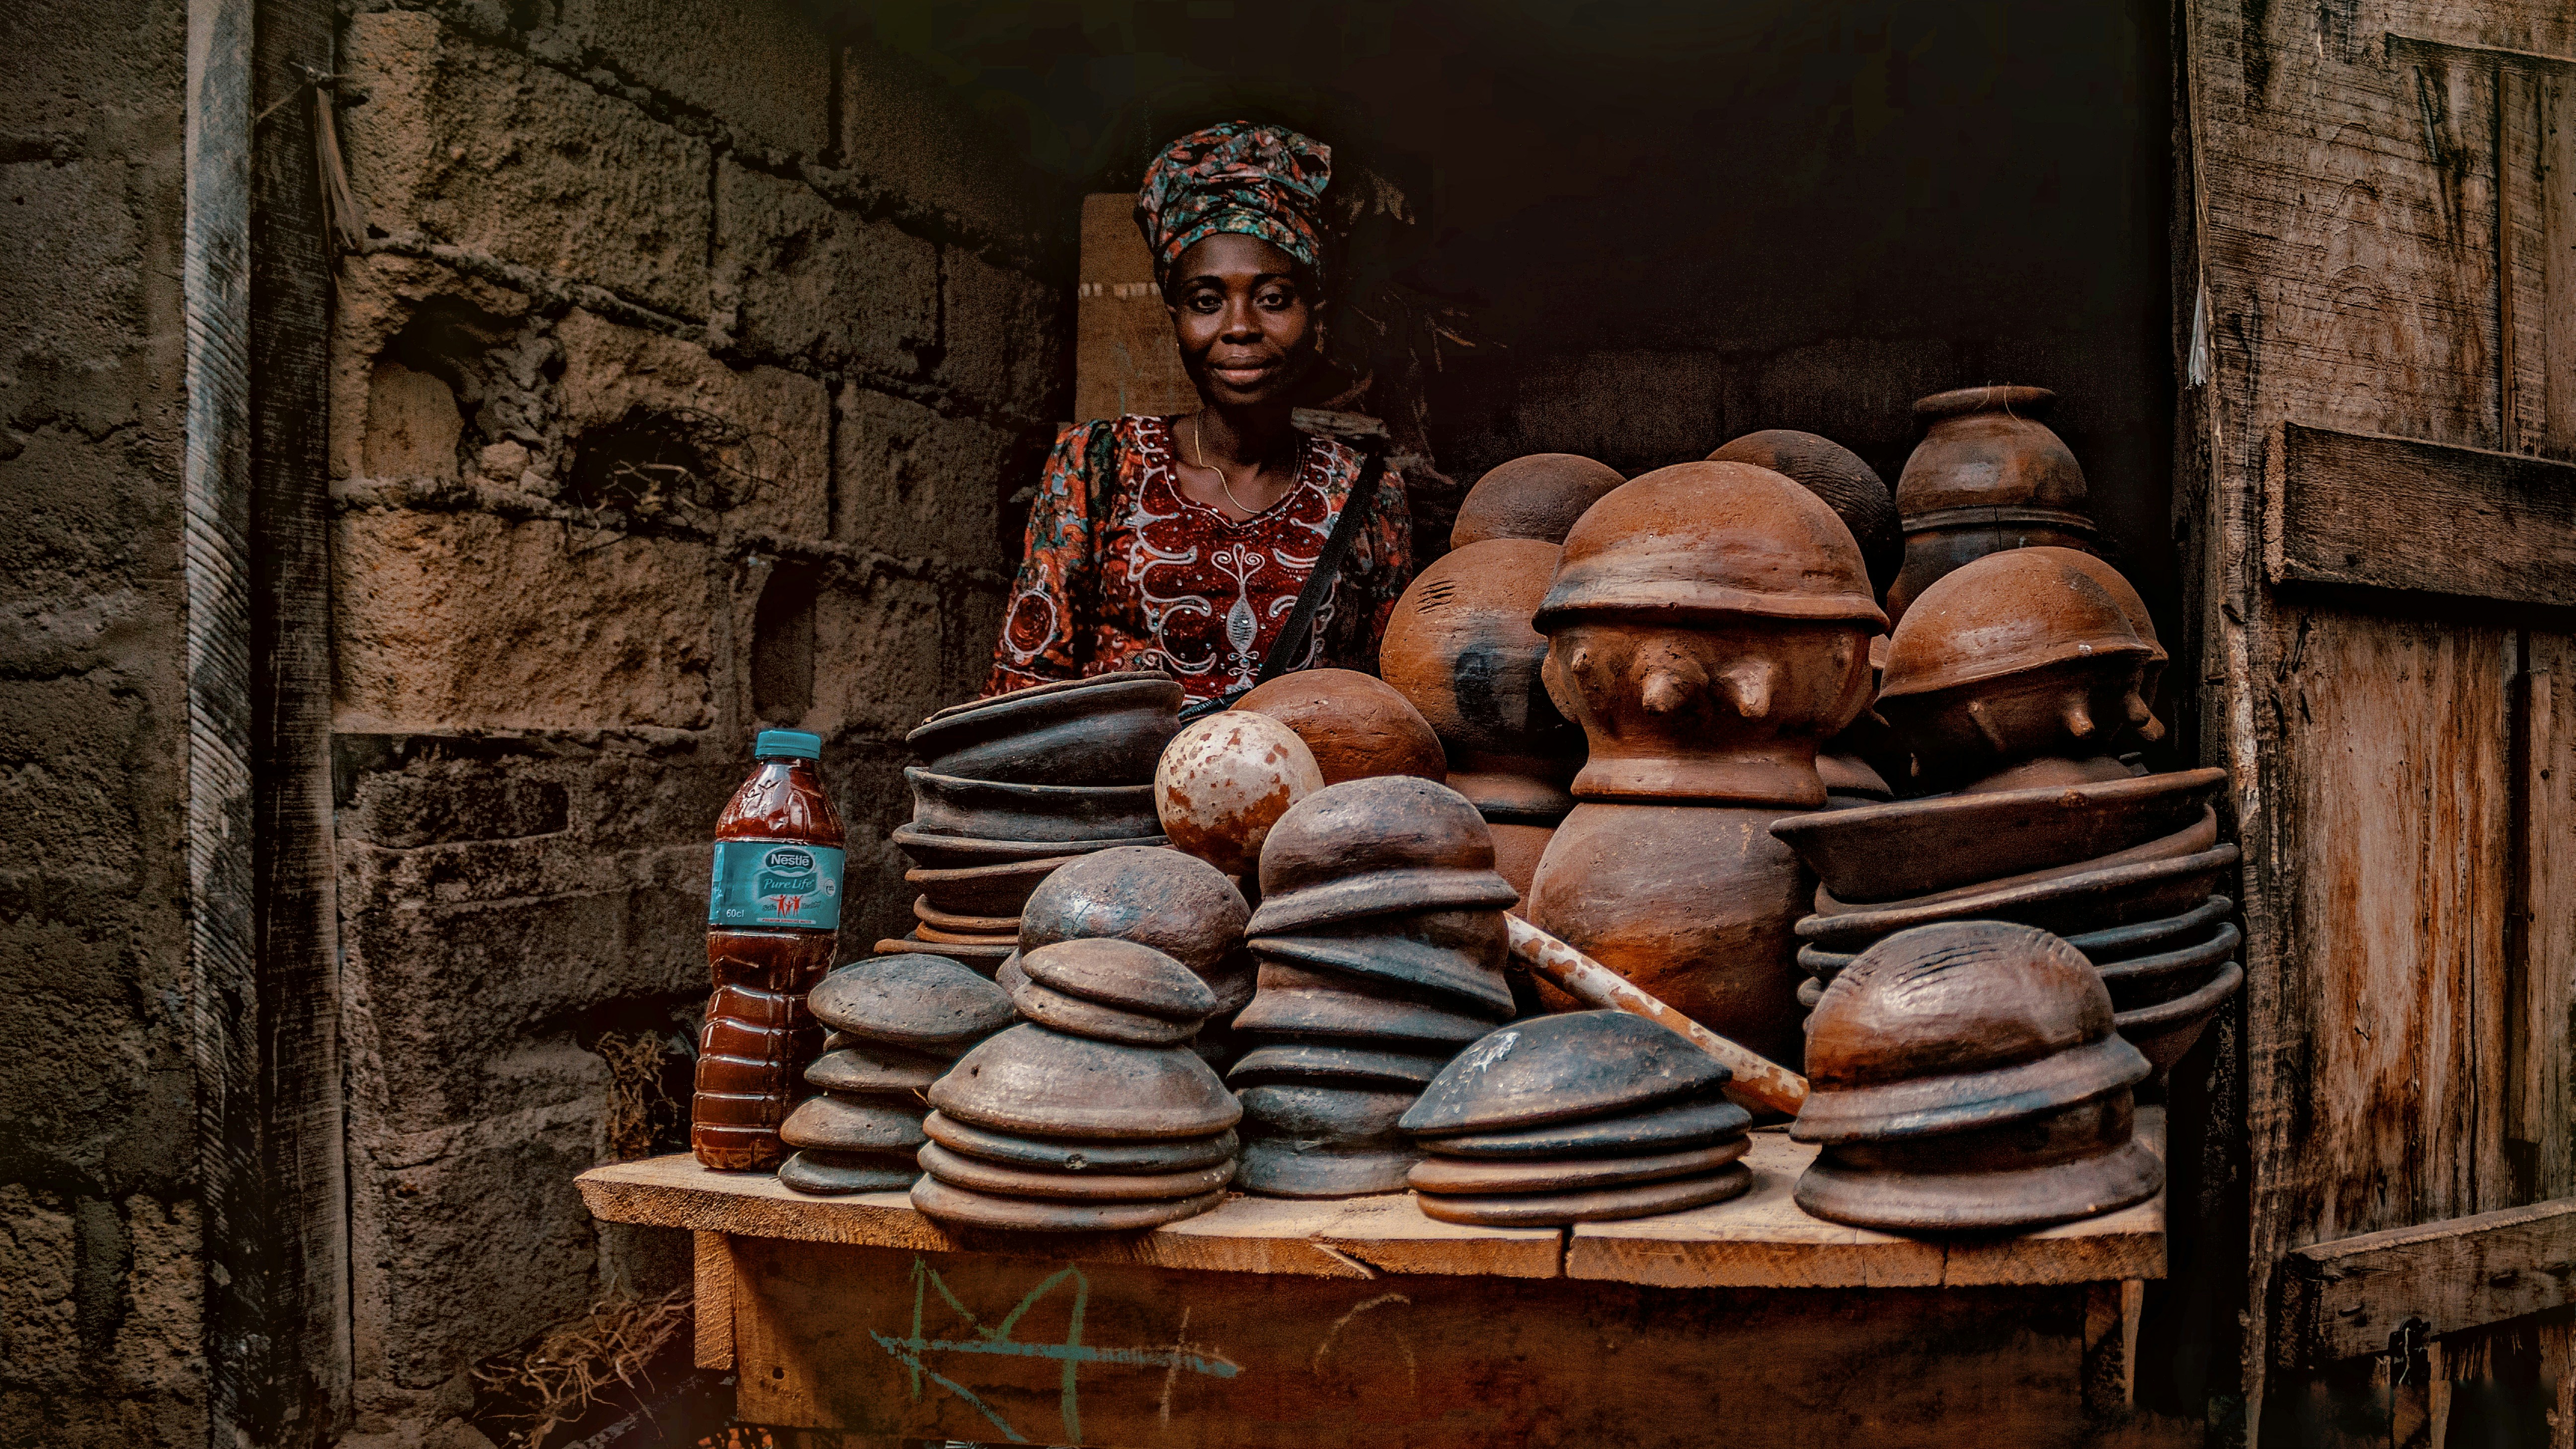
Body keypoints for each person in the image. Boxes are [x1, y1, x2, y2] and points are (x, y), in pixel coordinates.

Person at [984, 121, 1412, 706]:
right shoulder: (1098, 466)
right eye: (1206, 303)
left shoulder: (1366, 492)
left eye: (1273, 299)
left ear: (1316, 315)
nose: (1239, 328)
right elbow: (1022, 692)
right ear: (1176, 318)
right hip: (1122, 797)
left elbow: (1388, 709)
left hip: (1306, 795)